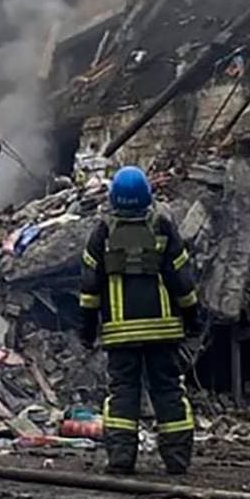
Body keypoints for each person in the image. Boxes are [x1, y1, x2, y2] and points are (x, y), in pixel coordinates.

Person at [78, 165, 203, 476]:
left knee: (123, 392)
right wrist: (192, 316)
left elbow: (89, 288)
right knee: (168, 391)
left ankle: (121, 459)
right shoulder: (162, 226)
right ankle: (177, 460)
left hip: (120, 334)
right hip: (163, 332)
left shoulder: (102, 233)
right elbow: (181, 279)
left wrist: (87, 329)